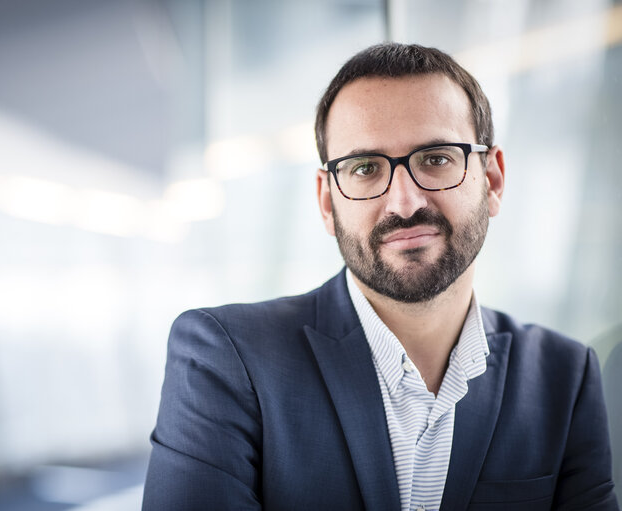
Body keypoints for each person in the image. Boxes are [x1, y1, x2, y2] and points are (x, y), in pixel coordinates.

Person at [142, 43, 618, 511]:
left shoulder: (563, 377)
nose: (405, 203)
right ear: (328, 202)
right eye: (365, 168)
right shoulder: (227, 359)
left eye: (436, 158)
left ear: (491, 180)